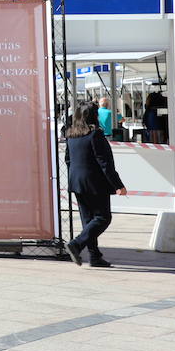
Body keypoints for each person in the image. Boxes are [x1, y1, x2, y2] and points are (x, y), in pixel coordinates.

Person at [64, 101, 126, 268]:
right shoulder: (95, 134)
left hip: (76, 181)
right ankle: (76, 244)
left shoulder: (71, 134)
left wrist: (75, 177)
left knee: (88, 220)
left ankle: (94, 256)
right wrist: (118, 185)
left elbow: (68, 160)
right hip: (94, 182)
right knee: (103, 218)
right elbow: (105, 163)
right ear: (93, 116)